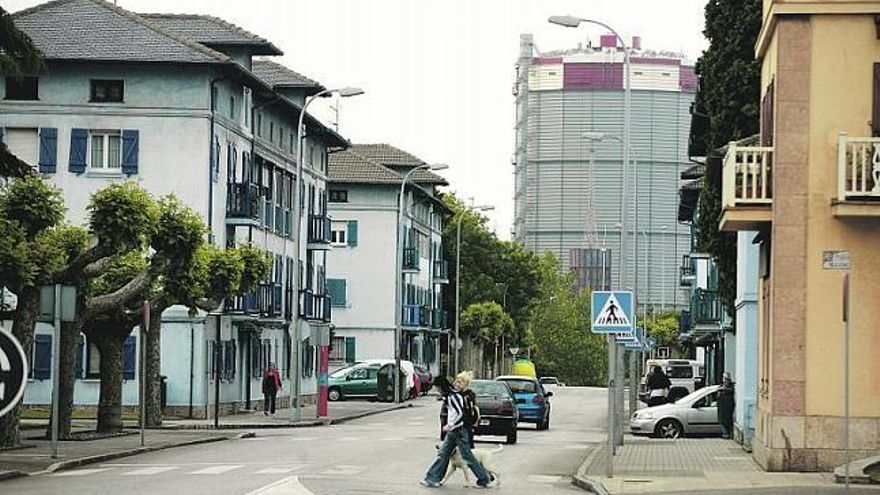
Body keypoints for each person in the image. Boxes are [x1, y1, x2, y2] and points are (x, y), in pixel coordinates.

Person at [423, 372, 495, 488]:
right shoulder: (453, 395)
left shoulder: (459, 396)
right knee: (444, 453)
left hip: (461, 430)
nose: (456, 383)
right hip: (456, 430)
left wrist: (450, 425)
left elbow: (459, 413)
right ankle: (432, 477)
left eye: (460, 381)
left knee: (468, 457)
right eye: (456, 381)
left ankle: (484, 478)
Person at [717, 373, 735, 439]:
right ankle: (725, 433)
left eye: (726, 379)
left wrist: (722, 389)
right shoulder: (721, 386)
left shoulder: (730, 386)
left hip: (728, 407)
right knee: (722, 421)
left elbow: (730, 390)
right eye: (724, 378)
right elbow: (719, 394)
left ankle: (728, 434)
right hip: (722, 407)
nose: (724, 380)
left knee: (728, 421)